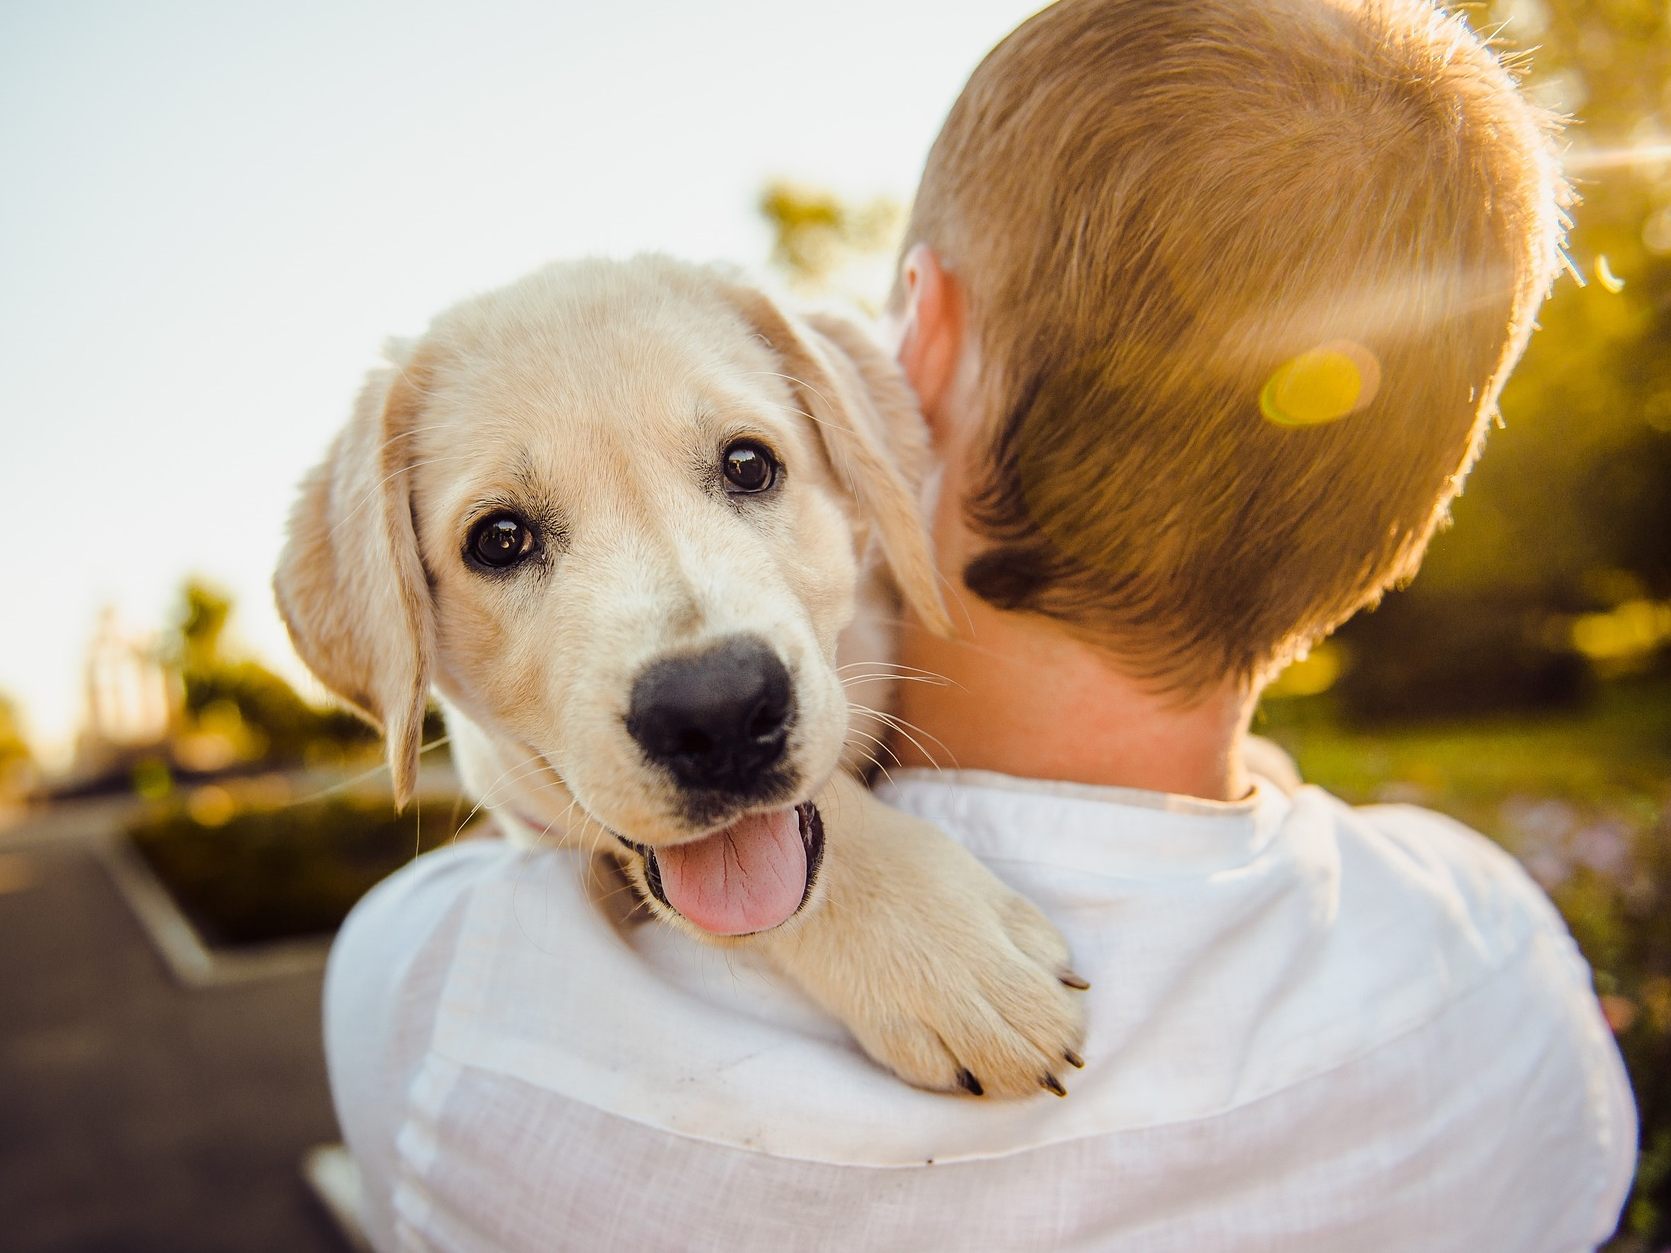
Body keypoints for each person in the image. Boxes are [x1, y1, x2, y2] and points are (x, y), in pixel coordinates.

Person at [324, 1, 1637, 1248]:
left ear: (917, 350)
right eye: (506, 541)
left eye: (744, 465)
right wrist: (838, 884)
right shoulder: (1504, 972)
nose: (703, 652)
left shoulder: (446, 1003)